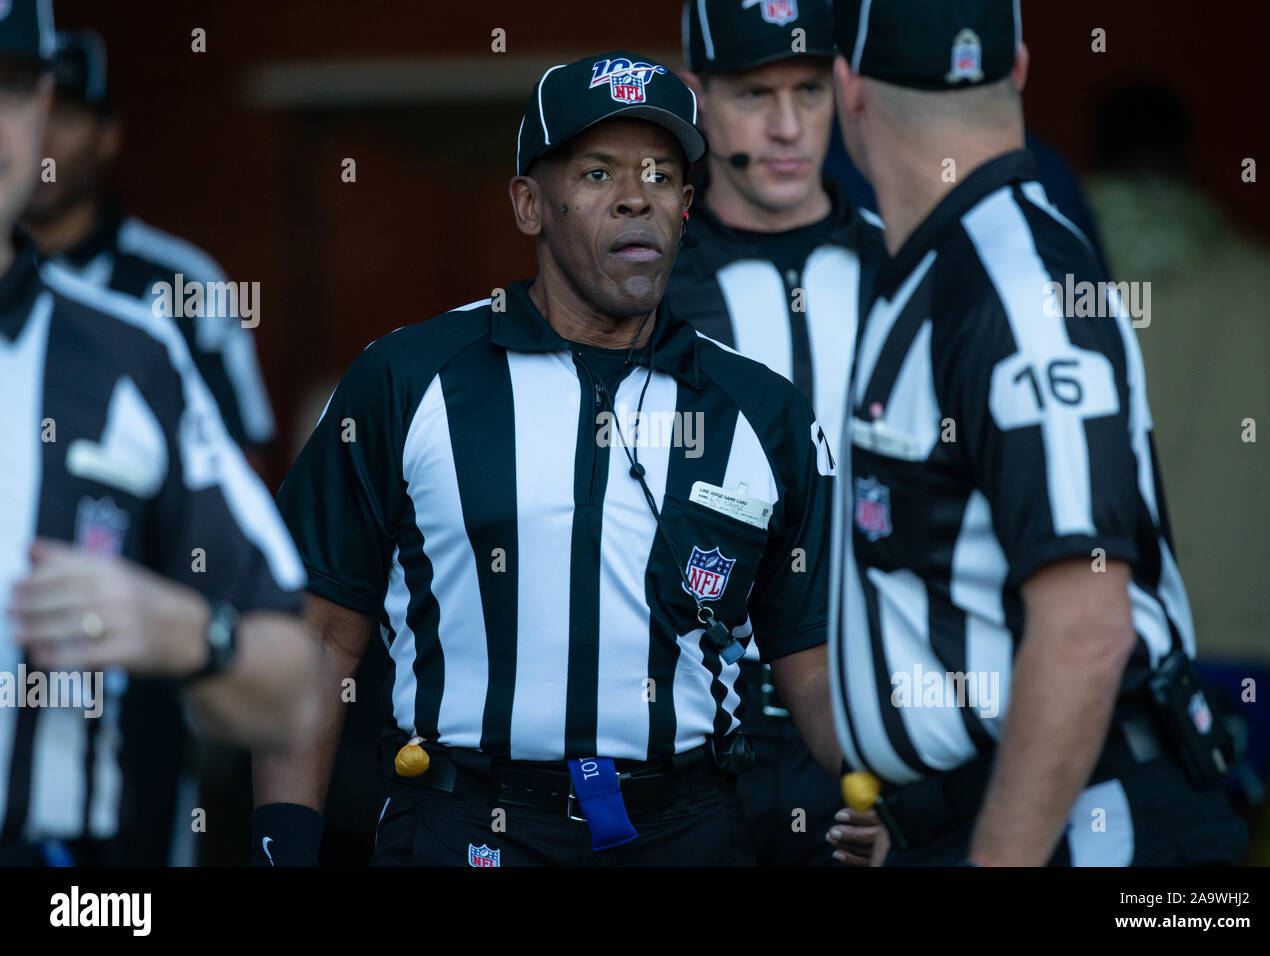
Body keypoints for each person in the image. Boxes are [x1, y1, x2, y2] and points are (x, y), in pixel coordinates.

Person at [252, 50, 842, 867]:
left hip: (687, 828)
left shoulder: (762, 412)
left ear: (686, 209)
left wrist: (899, 796)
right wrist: (282, 841)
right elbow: (317, 635)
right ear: (530, 205)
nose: (637, 197)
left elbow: (810, 662)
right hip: (463, 822)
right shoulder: (406, 377)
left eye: (662, 175)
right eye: (598, 173)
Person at [826, 0, 1247, 865]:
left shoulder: (1012, 284)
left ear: (847, 89)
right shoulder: (945, 271)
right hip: (993, 818)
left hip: (1079, 825)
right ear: (1018, 65)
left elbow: (1086, 631)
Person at [0, 0, 317, 868]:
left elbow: (247, 496)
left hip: (93, 821)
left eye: (16, 86)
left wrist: (184, 624)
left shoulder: (150, 323)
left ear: (101, 133)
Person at [668, 0, 884, 866]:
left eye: (809, 89)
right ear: (698, 98)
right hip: (687, 730)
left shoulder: (909, 269)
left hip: (875, 715)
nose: (790, 126)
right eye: (755, 94)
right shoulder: (641, 287)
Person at [1088, 83, 1270, 822]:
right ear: (1188, 161)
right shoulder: (1269, 288)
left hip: (1086, 628)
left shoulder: (1050, 287)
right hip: (1243, 627)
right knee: (1214, 853)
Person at [20, 28, 276, 466]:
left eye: (63, 116)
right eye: (25, 113)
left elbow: (239, 462)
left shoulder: (185, 282)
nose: (42, 140)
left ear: (108, 137)